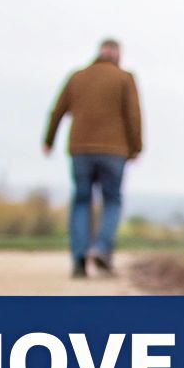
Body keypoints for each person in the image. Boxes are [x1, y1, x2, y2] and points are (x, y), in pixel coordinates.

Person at [44, 38, 143, 278]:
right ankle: (101, 249)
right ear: (117, 54)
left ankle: (79, 260)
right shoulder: (124, 78)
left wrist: (49, 140)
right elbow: (133, 115)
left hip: (81, 149)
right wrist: (136, 148)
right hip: (114, 151)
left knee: (81, 202)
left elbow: (58, 110)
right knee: (112, 201)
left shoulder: (78, 77)